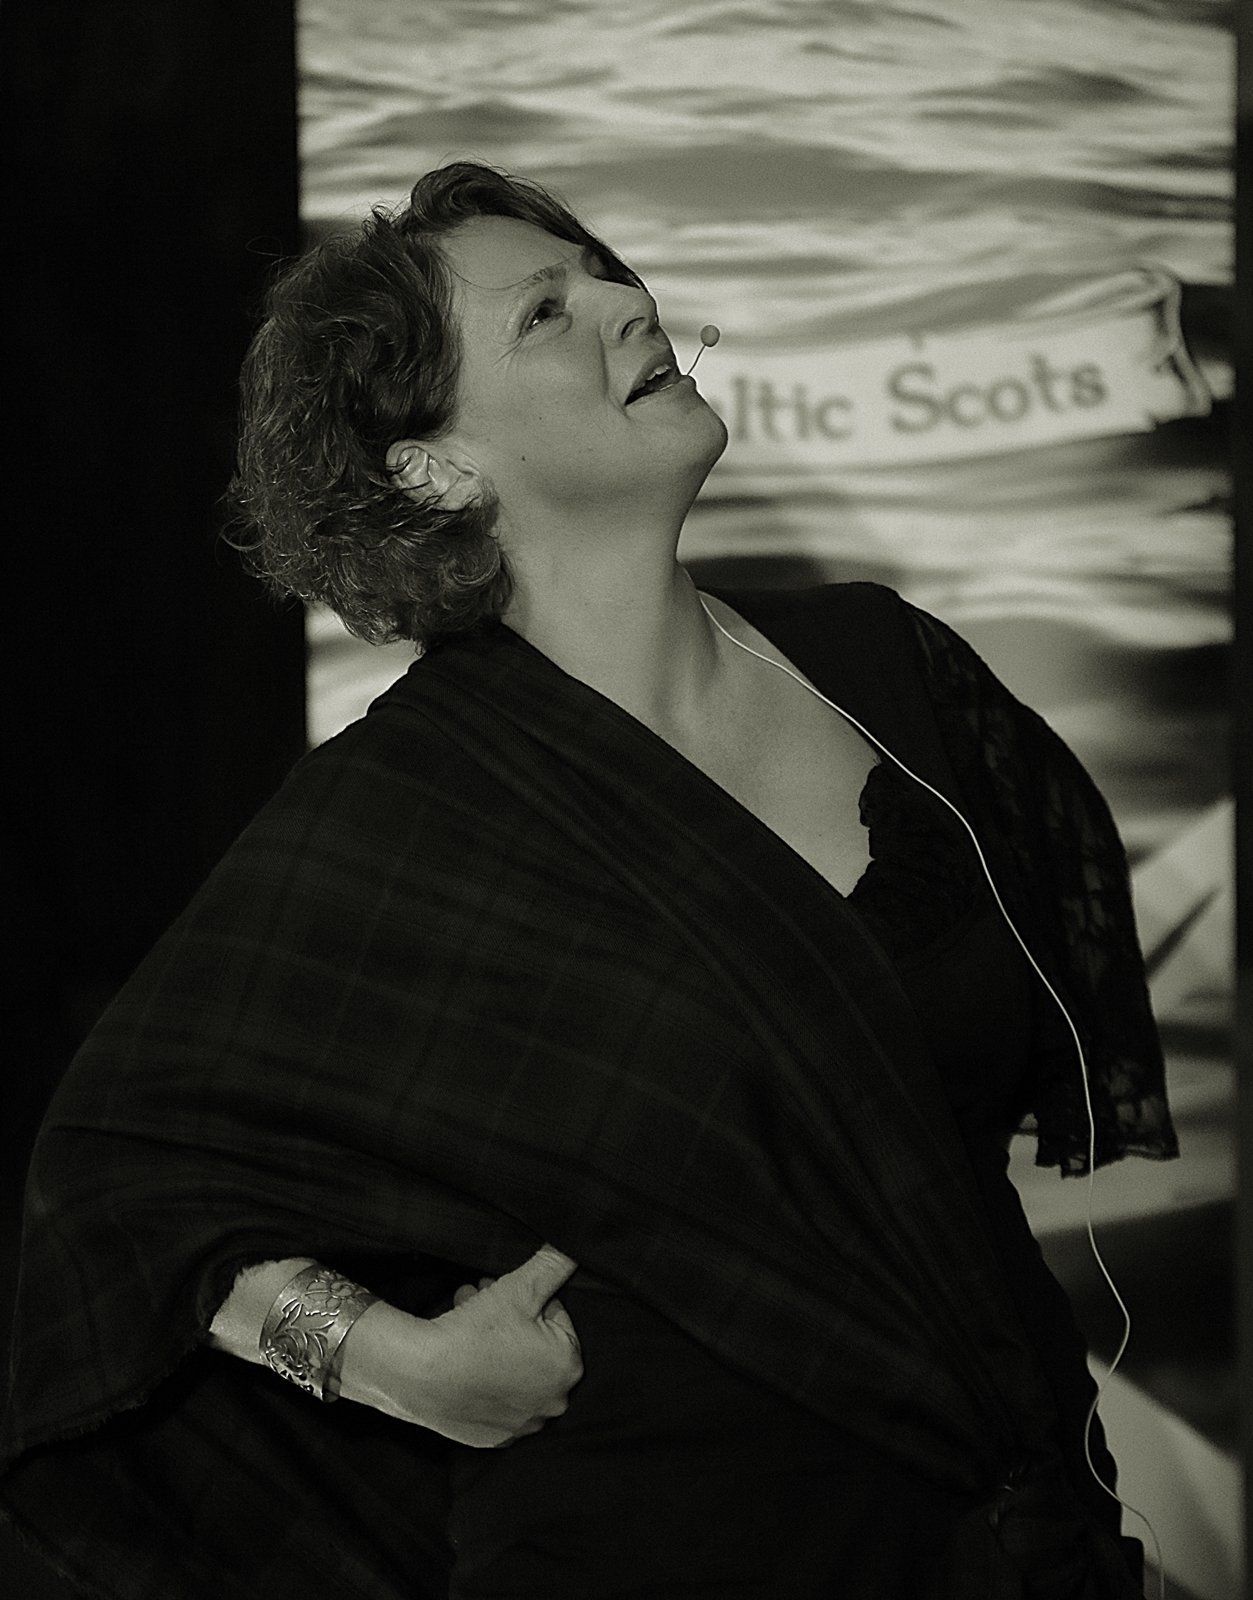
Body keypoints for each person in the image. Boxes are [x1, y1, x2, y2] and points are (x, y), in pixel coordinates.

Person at [0, 161, 1178, 1600]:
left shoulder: (893, 669)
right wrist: (390, 1361)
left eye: (606, 273)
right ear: (434, 469)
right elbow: (111, 1189)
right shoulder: (403, 815)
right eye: (545, 311)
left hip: (1016, 1530)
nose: (629, 303)